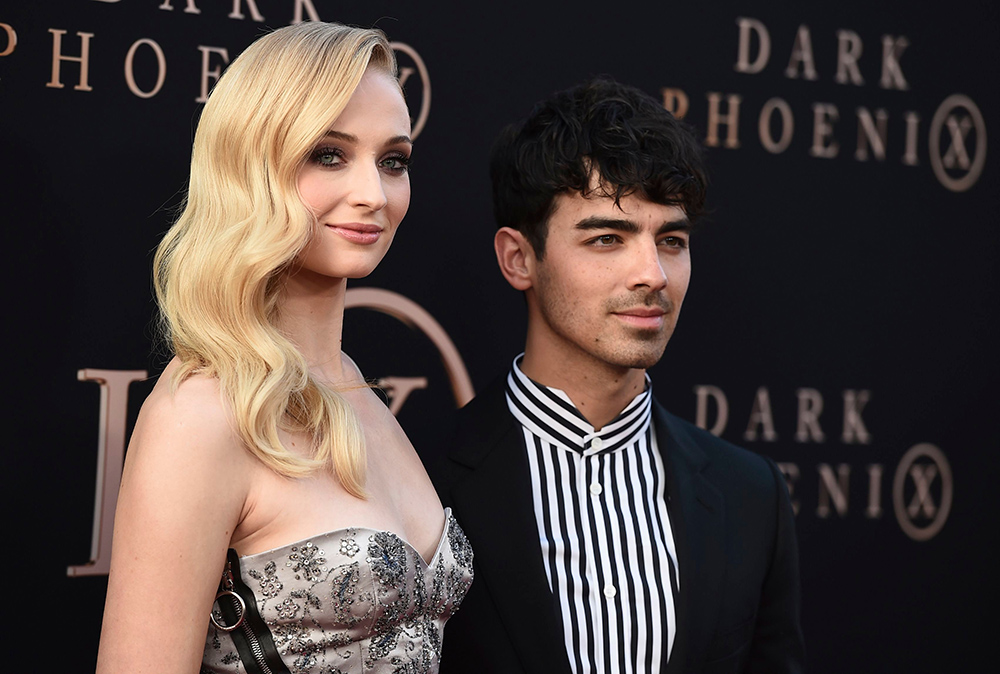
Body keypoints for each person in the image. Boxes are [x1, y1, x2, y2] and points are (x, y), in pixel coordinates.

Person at [95, 22, 472, 674]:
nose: (373, 194)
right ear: (249, 165)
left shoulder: (357, 388)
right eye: (329, 154)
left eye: (394, 161)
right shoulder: (203, 413)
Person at [434, 78, 804, 674]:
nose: (654, 274)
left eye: (673, 240)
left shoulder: (749, 495)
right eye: (608, 238)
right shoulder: (422, 480)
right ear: (518, 258)